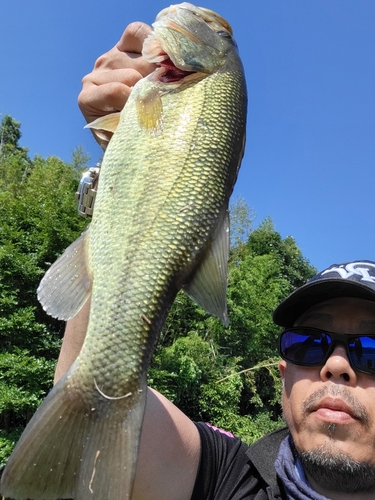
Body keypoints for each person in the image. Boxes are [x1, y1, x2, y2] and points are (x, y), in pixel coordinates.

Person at [59, 23, 375, 500]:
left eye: (371, 350)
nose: (336, 365)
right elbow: (88, 404)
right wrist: (127, 173)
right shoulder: (225, 476)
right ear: (284, 376)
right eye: (309, 344)